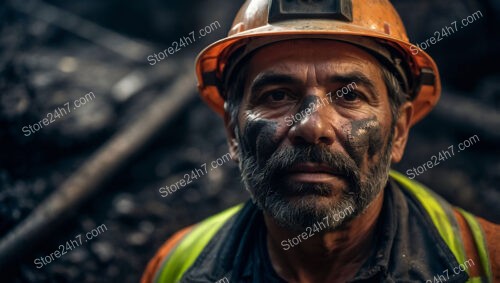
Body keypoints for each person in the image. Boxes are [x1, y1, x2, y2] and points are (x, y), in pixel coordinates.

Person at [142, 0, 499, 282]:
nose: (312, 127)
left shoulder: (489, 262)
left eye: (350, 96)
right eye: (278, 95)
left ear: (399, 131)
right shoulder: (175, 267)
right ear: (233, 133)